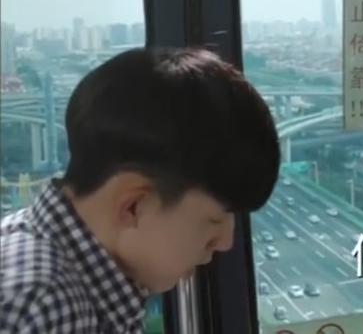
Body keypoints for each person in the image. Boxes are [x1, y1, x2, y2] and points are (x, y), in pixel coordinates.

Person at [0, 48, 281, 333]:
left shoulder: (69, 283)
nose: (225, 242)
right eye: (214, 220)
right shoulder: (43, 308)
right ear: (133, 206)